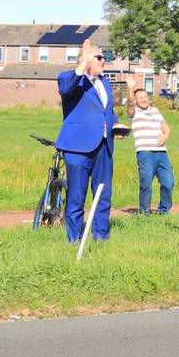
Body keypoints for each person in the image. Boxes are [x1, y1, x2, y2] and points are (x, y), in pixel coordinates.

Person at [55, 38, 123, 243]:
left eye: (105, 57)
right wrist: (83, 64)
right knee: (76, 195)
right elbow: (65, 90)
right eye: (99, 57)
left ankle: (101, 236)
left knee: (103, 193)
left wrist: (116, 126)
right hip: (78, 148)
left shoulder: (106, 83)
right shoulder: (69, 78)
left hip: (104, 146)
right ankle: (73, 239)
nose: (104, 60)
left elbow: (107, 112)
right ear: (86, 59)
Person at [124, 77, 174, 215]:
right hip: (145, 153)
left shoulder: (155, 110)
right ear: (136, 100)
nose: (144, 99)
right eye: (140, 97)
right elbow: (129, 102)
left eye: (145, 96)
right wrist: (130, 88)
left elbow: (166, 127)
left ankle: (163, 211)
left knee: (168, 183)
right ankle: (144, 212)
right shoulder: (134, 112)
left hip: (161, 153)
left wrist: (165, 136)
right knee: (146, 185)